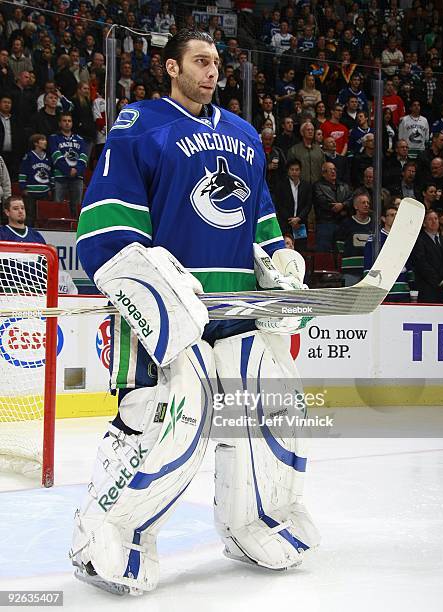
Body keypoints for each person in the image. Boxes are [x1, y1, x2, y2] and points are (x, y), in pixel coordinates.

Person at [70, 29, 320, 596]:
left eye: (216, 63)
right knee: (174, 409)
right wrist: (154, 290)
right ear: (170, 67)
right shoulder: (140, 128)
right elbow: (105, 233)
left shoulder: (245, 134)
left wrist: (280, 267)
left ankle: (254, 520)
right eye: (200, 62)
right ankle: (106, 532)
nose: (212, 72)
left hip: (235, 314)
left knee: (267, 398)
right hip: (165, 321)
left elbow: (261, 224)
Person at [363, 206, 413, 302]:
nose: (395, 217)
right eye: (391, 215)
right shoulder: (375, 238)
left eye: (397, 215)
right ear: (383, 218)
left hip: (402, 290)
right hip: (383, 291)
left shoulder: (404, 239)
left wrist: (411, 283)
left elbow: (409, 263)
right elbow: (368, 263)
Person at [48, 113, 88, 216]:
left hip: (77, 177)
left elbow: (84, 156)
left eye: (69, 121)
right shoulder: (54, 138)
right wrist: (68, 170)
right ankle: (57, 226)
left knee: (77, 206)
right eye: (64, 121)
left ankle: (76, 227)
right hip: (60, 176)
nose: (67, 123)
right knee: (58, 204)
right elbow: (55, 155)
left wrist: (77, 170)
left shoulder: (80, 139)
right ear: (60, 123)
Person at [411, 210, 443, 303]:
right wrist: (438, 281)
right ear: (424, 224)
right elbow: (421, 263)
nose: (434, 221)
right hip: (427, 290)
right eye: (430, 219)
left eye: (436, 219)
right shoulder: (418, 241)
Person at [335, 189, 372, 286]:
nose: (366, 205)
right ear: (355, 206)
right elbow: (340, 245)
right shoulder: (346, 224)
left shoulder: (374, 225)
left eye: (368, 203)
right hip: (350, 271)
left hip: (369, 271)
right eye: (363, 202)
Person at [273, 159, 312, 252]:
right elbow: (279, 205)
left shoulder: (306, 185)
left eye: (297, 169)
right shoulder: (281, 185)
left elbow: (308, 205)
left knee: (301, 250)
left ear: (300, 171)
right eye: (292, 169)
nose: (294, 172)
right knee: (285, 249)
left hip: (300, 224)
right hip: (285, 223)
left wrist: (299, 218)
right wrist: (291, 219)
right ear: (288, 171)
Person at [313, 161, 352, 251]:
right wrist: (338, 207)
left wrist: (342, 205)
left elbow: (351, 199)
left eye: (334, 169)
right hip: (325, 222)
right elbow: (322, 202)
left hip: (342, 223)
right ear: (323, 173)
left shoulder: (344, 186)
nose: (333, 172)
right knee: (324, 253)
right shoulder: (318, 186)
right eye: (330, 170)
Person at [19, 133, 52, 227]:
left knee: (44, 215)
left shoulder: (48, 157)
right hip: (31, 191)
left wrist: (50, 187)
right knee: (30, 215)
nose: (45, 142)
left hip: (44, 191)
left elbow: (51, 174)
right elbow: (23, 172)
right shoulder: (28, 156)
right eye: (43, 140)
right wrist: (23, 187)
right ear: (36, 143)